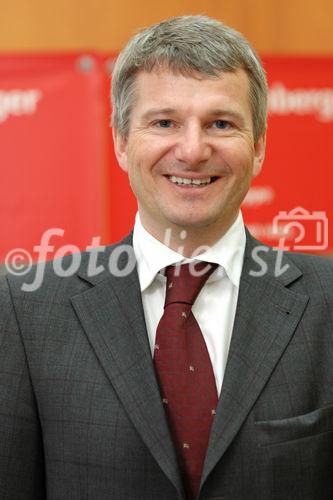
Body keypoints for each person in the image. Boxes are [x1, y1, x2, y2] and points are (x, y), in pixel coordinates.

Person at [1, 15, 333, 500]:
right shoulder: (24, 308)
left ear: (259, 146)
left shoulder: (327, 302)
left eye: (221, 123)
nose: (194, 149)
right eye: (164, 122)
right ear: (121, 141)